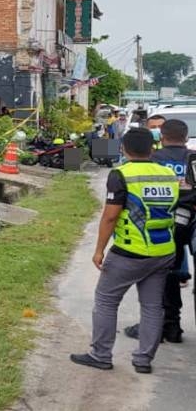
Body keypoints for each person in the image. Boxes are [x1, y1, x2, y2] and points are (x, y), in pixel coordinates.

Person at [70, 127, 179, 374]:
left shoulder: (121, 174)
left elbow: (110, 217)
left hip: (130, 251)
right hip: (163, 250)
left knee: (106, 301)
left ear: (123, 149)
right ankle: (143, 360)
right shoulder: (168, 174)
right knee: (152, 307)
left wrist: (99, 250)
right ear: (153, 149)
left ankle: (100, 355)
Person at [122, 118, 194, 342]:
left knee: (160, 275)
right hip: (191, 221)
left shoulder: (155, 160)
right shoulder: (193, 159)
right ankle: (170, 326)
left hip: (161, 223)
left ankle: (163, 325)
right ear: (186, 136)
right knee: (171, 270)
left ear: (161, 137)